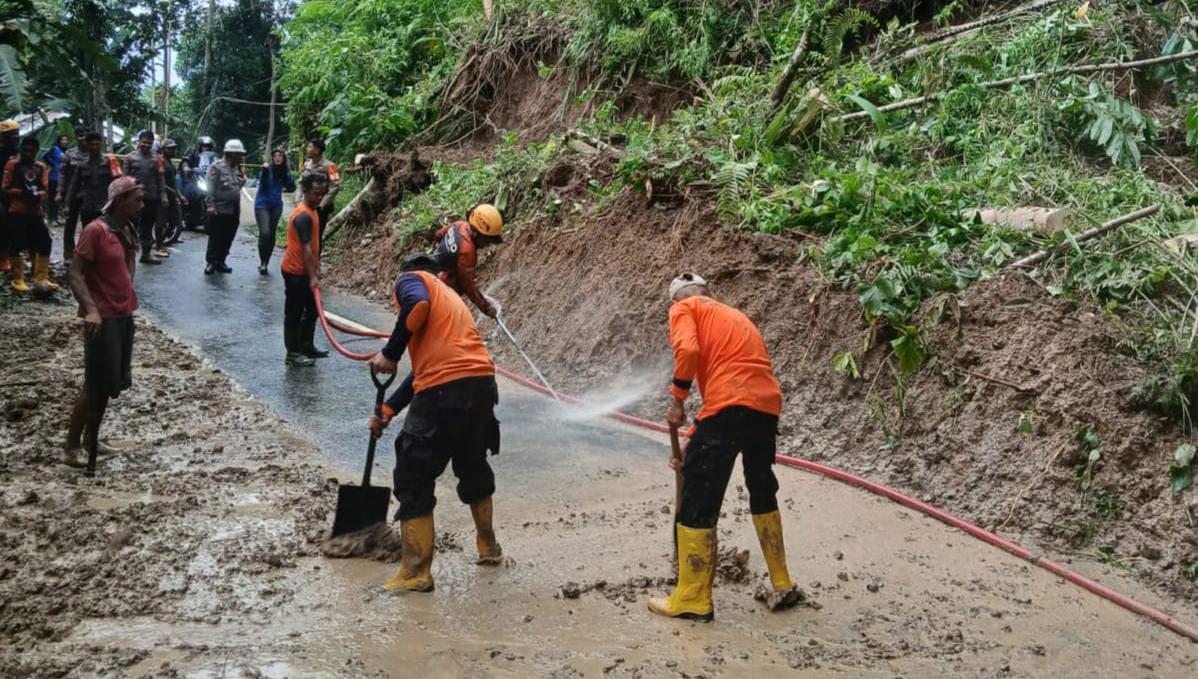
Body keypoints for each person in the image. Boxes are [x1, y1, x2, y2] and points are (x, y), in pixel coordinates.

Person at [647, 273, 795, 622]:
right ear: (710, 293)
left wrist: (677, 400)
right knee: (761, 485)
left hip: (731, 404)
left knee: (699, 495)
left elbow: (689, 350)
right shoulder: (734, 315)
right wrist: (690, 441)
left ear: (677, 300)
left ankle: (693, 598)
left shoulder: (684, 308)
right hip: (766, 405)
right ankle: (782, 581)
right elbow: (730, 392)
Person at [367, 254, 503, 593]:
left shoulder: (412, 281)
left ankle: (415, 572)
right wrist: (389, 409)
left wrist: (391, 351)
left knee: (412, 474)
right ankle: (488, 546)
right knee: (472, 464)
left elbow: (417, 305)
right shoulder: (453, 302)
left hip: (446, 390)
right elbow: (426, 371)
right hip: (482, 384)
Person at [63, 177, 142, 472]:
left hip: (123, 315)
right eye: (137, 199)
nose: (141, 205)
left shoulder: (126, 229)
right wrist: (91, 309)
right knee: (94, 385)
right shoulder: (95, 231)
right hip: (103, 318)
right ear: (120, 201)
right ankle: (71, 447)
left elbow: (127, 268)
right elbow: (75, 274)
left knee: (111, 383)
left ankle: (90, 439)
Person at [280, 174, 330, 366]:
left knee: (312, 309)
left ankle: (306, 346)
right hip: (295, 272)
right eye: (316, 194)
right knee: (294, 312)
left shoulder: (313, 210)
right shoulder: (303, 216)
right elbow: (307, 249)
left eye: (322, 194)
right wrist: (312, 277)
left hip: (306, 270)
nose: (320, 197)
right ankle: (293, 354)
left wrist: (316, 270)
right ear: (306, 192)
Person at [430, 203, 505, 317]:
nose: (487, 245)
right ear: (477, 233)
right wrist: (487, 308)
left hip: (429, 273)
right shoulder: (467, 252)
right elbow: (468, 286)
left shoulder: (459, 225)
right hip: (439, 293)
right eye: (487, 240)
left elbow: (437, 235)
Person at [3, 135, 55, 293]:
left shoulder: (41, 167)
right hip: (17, 210)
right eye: (25, 150)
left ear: (37, 151)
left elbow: (45, 188)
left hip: (35, 211)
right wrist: (21, 193)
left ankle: (41, 277)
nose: (28, 153)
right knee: (17, 243)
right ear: (21, 150)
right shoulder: (13, 165)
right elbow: (5, 187)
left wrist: (37, 194)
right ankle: (18, 279)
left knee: (45, 242)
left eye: (32, 151)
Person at [63, 131, 122, 260]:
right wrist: (67, 204)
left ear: (101, 145)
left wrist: (117, 201)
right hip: (87, 205)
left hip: (105, 205)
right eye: (92, 144)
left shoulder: (110, 161)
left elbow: (118, 182)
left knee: (107, 233)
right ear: (87, 145)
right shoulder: (82, 165)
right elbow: (74, 185)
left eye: (97, 144)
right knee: (88, 233)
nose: (94, 147)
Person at [122, 129, 167, 264]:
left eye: (149, 143)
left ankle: (146, 254)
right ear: (138, 142)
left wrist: (163, 195)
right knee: (130, 227)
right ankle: (126, 256)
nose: (146, 145)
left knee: (148, 226)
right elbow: (124, 178)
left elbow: (160, 179)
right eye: (144, 142)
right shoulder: (130, 158)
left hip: (151, 197)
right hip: (133, 199)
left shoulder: (157, 159)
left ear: (153, 143)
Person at [203, 139, 247, 275]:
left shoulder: (236, 168)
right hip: (219, 208)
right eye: (239, 155)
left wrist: (242, 181)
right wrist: (210, 205)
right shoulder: (216, 167)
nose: (241, 158)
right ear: (231, 154)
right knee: (216, 236)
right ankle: (211, 261)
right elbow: (209, 188)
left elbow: (235, 187)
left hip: (233, 209)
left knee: (228, 235)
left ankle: (221, 260)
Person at [255, 148, 296, 274]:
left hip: (276, 205)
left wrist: (286, 184)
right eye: (275, 155)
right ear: (272, 158)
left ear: (283, 159)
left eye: (280, 156)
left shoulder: (284, 171)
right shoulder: (267, 169)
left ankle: (266, 262)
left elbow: (291, 187)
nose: (278, 157)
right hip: (262, 205)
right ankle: (262, 261)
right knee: (265, 233)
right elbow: (263, 184)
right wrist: (265, 171)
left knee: (272, 234)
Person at [58, 127, 91, 258]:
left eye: (85, 135)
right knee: (70, 225)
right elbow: (62, 174)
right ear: (76, 137)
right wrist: (59, 192)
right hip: (72, 194)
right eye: (80, 135)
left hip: (89, 195)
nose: (83, 138)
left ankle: (86, 254)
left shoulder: (94, 154)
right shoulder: (69, 154)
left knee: (88, 225)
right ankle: (68, 254)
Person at [299, 137, 340, 236]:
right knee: (304, 234)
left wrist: (322, 204)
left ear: (317, 150)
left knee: (316, 235)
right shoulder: (306, 165)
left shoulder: (330, 166)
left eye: (310, 147)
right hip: (306, 205)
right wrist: (298, 200)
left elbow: (336, 185)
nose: (307, 149)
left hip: (321, 208)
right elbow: (301, 182)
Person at [0, 119, 20, 273]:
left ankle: (15, 258)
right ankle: (3, 258)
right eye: (12, 134)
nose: (16, 137)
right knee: (4, 226)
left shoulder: (21, 152)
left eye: (17, 134)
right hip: (3, 195)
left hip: (18, 195)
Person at [160, 139, 185, 246]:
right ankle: (159, 243)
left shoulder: (170, 162)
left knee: (176, 220)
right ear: (163, 149)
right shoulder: (160, 162)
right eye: (169, 148)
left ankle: (166, 239)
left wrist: (179, 194)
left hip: (172, 194)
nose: (172, 151)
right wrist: (171, 192)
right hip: (163, 195)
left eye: (173, 149)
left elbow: (173, 182)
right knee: (162, 221)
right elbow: (160, 181)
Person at [41, 134, 67, 226]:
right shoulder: (55, 148)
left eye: (66, 140)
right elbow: (44, 156)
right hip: (54, 177)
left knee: (58, 199)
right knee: (52, 198)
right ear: (59, 141)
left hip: (62, 178)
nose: (65, 141)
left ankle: (56, 217)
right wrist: (51, 163)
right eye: (63, 140)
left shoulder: (64, 151)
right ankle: (51, 219)